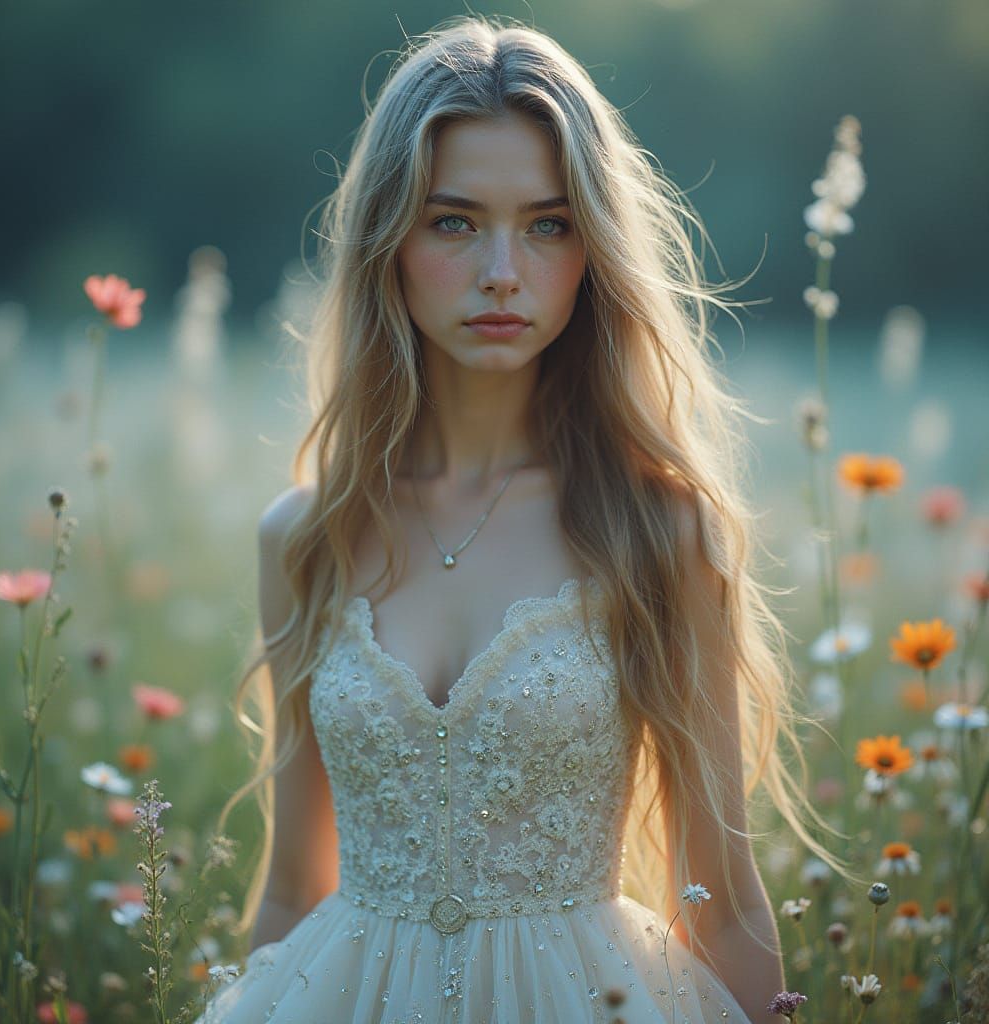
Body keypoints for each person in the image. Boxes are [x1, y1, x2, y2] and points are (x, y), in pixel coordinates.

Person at [196, 15, 851, 1023]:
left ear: (591, 250)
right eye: (453, 221)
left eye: (547, 224)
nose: (502, 269)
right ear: (388, 240)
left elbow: (718, 900)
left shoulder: (659, 532)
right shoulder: (305, 537)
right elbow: (291, 884)